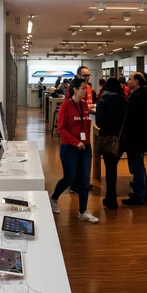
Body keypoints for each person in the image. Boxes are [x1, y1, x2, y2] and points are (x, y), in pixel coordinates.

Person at [50, 78, 99, 223]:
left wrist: (84, 142)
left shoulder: (84, 105)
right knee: (69, 178)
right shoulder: (66, 105)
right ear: (75, 89)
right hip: (69, 147)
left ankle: (83, 211)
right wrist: (75, 142)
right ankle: (54, 197)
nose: (86, 91)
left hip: (85, 147)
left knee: (84, 180)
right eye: (83, 88)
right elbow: (61, 128)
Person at [120, 72, 147, 207]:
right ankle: (141, 192)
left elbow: (132, 119)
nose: (127, 82)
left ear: (137, 81)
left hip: (135, 138)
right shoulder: (144, 94)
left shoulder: (138, 96)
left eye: (130, 79)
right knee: (138, 165)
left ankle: (140, 195)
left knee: (137, 166)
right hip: (139, 137)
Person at [96, 78, 126, 209]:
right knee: (113, 166)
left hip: (107, 138)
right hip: (120, 138)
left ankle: (111, 197)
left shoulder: (103, 99)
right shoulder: (123, 99)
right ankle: (111, 197)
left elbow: (99, 122)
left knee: (110, 168)